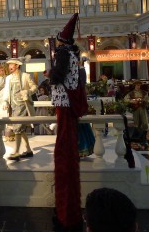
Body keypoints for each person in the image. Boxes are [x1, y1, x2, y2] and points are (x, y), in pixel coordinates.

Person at [49, 13, 93, 231]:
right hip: (67, 107)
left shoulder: (63, 54)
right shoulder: (73, 55)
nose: (56, 43)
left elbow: (57, 76)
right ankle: (67, 210)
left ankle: (67, 212)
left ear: (62, 41)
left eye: (58, 40)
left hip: (64, 106)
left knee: (64, 154)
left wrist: (49, 75)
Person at [2, 58, 38, 160]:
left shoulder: (25, 76)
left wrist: (27, 92)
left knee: (17, 128)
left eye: (11, 65)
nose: (9, 67)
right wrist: (5, 101)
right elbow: (6, 92)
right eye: (9, 65)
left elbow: (34, 87)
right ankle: (28, 150)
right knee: (20, 129)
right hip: (13, 107)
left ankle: (16, 152)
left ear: (17, 65)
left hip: (23, 106)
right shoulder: (8, 78)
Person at [124, 81, 149, 150]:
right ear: (134, 86)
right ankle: (138, 138)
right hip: (136, 110)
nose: (138, 86)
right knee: (136, 123)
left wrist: (143, 101)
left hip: (142, 109)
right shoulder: (131, 93)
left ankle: (144, 137)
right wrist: (132, 101)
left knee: (144, 123)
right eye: (137, 85)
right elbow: (125, 99)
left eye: (139, 85)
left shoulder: (144, 93)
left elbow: (148, 101)